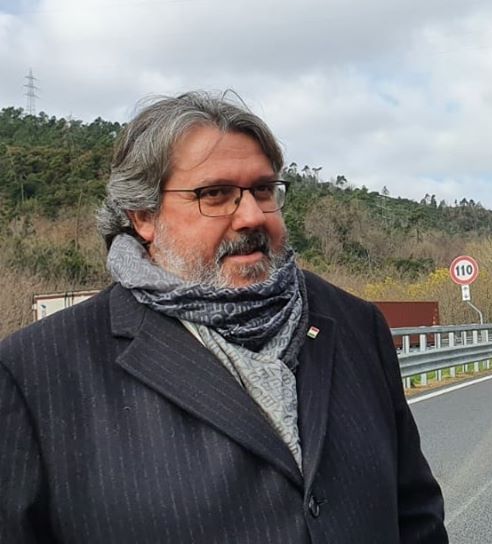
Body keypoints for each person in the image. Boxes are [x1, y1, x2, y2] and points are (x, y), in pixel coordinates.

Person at [0, 92, 447, 543]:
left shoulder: (356, 325)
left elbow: (416, 516)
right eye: (215, 195)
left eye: (263, 190)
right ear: (143, 216)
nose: (251, 216)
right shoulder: (35, 374)